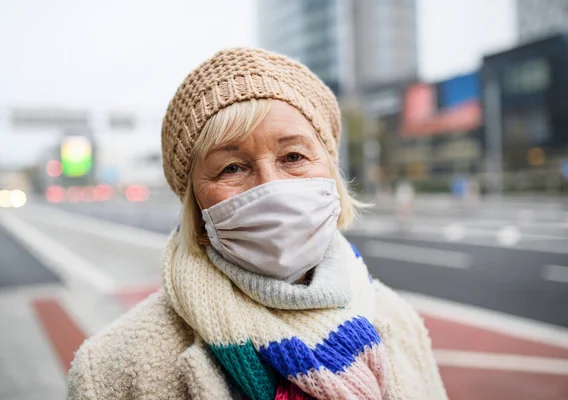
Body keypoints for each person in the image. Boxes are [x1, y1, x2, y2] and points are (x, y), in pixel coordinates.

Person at [68, 48, 447, 400]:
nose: (271, 187)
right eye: (232, 167)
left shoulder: (400, 322)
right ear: (195, 207)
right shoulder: (110, 368)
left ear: (331, 175)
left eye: (294, 156)